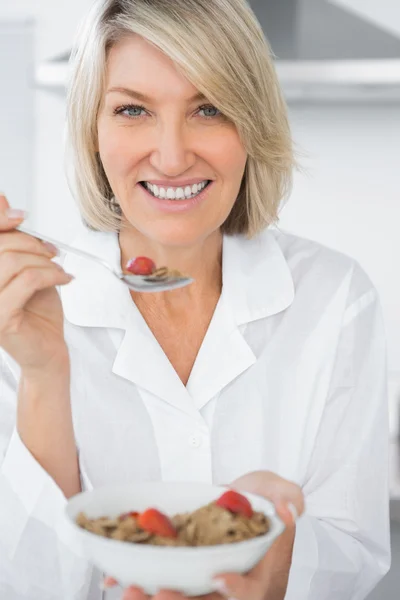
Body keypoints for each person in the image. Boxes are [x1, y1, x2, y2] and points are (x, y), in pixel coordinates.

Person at [0, 0, 390, 599]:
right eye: (132, 109)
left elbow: (355, 561)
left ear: (252, 124)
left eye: (209, 108)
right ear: (92, 132)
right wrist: (45, 376)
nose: (173, 155)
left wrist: (271, 542)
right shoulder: (20, 312)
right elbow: (27, 585)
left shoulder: (334, 299)